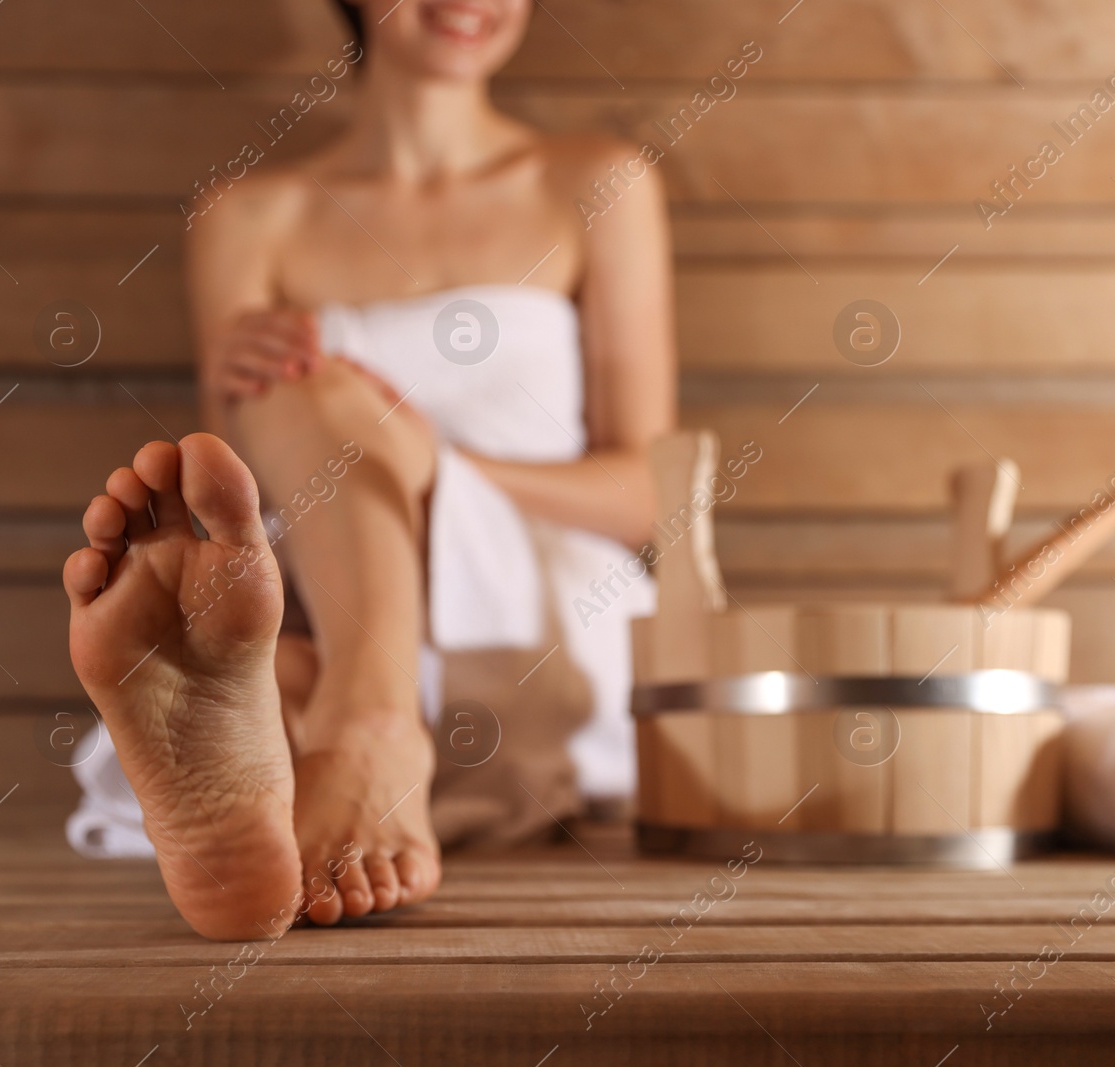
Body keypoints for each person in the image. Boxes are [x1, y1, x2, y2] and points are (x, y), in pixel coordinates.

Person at [62, 0, 674, 940]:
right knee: (289, 402)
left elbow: (650, 494)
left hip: (539, 599)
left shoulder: (597, 182)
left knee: (325, 406)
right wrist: (288, 396)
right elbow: (246, 484)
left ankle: (338, 731)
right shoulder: (246, 214)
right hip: (325, 568)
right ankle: (307, 761)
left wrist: (430, 461)